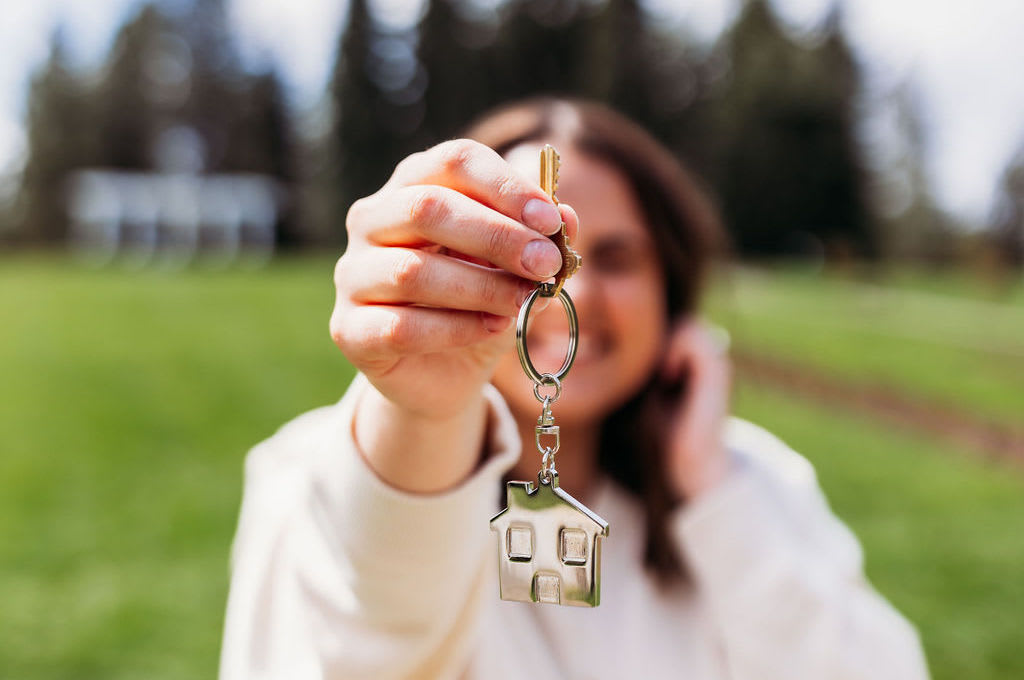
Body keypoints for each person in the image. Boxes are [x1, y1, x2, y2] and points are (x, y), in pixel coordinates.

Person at [219, 98, 929, 679]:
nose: (575, 292)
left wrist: (711, 489)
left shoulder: (760, 480)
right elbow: (355, 642)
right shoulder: (316, 472)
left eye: (615, 259)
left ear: (672, 290)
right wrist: (420, 419)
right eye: (530, 256)